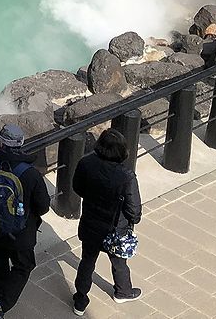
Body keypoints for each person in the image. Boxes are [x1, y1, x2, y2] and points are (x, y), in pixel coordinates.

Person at [0, 124, 51, 318]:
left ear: (0, 142)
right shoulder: (30, 173)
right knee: (24, 265)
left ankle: (1, 289)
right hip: (21, 230)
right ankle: (1, 304)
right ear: (21, 143)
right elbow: (43, 206)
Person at [72, 129, 143, 314]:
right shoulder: (126, 176)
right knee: (119, 262)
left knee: (87, 261)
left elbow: (77, 187)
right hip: (116, 228)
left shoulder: (86, 163)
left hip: (91, 223)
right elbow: (134, 210)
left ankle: (80, 300)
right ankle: (123, 292)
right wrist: (130, 221)